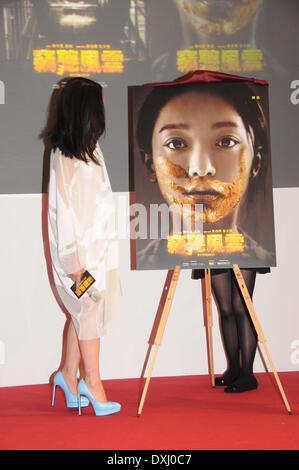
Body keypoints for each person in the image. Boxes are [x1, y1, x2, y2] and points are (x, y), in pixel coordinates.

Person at [134, 72, 274, 391]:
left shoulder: (256, 246)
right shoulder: (155, 250)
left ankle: (248, 372)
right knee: (225, 307)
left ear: (256, 160)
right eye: (177, 143)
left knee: (242, 305)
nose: (200, 168)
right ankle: (234, 367)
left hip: (239, 247)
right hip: (203, 244)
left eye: (225, 142)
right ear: (149, 164)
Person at [44, 77, 122, 416]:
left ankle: (66, 375)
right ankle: (93, 384)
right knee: (87, 310)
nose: (104, 108)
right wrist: (75, 267)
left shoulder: (90, 149)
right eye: (99, 103)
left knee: (86, 312)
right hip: (76, 261)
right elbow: (62, 214)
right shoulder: (64, 156)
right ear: (85, 110)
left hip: (97, 257)